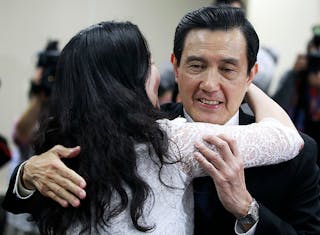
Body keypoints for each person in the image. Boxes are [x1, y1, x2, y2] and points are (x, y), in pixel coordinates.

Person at [3, 6, 320, 235]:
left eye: (227, 69)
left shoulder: (299, 157)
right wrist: (28, 175)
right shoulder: (153, 132)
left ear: (252, 73)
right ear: (176, 67)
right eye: (196, 65)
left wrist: (248, 211)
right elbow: (28, 199)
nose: (210, 84)